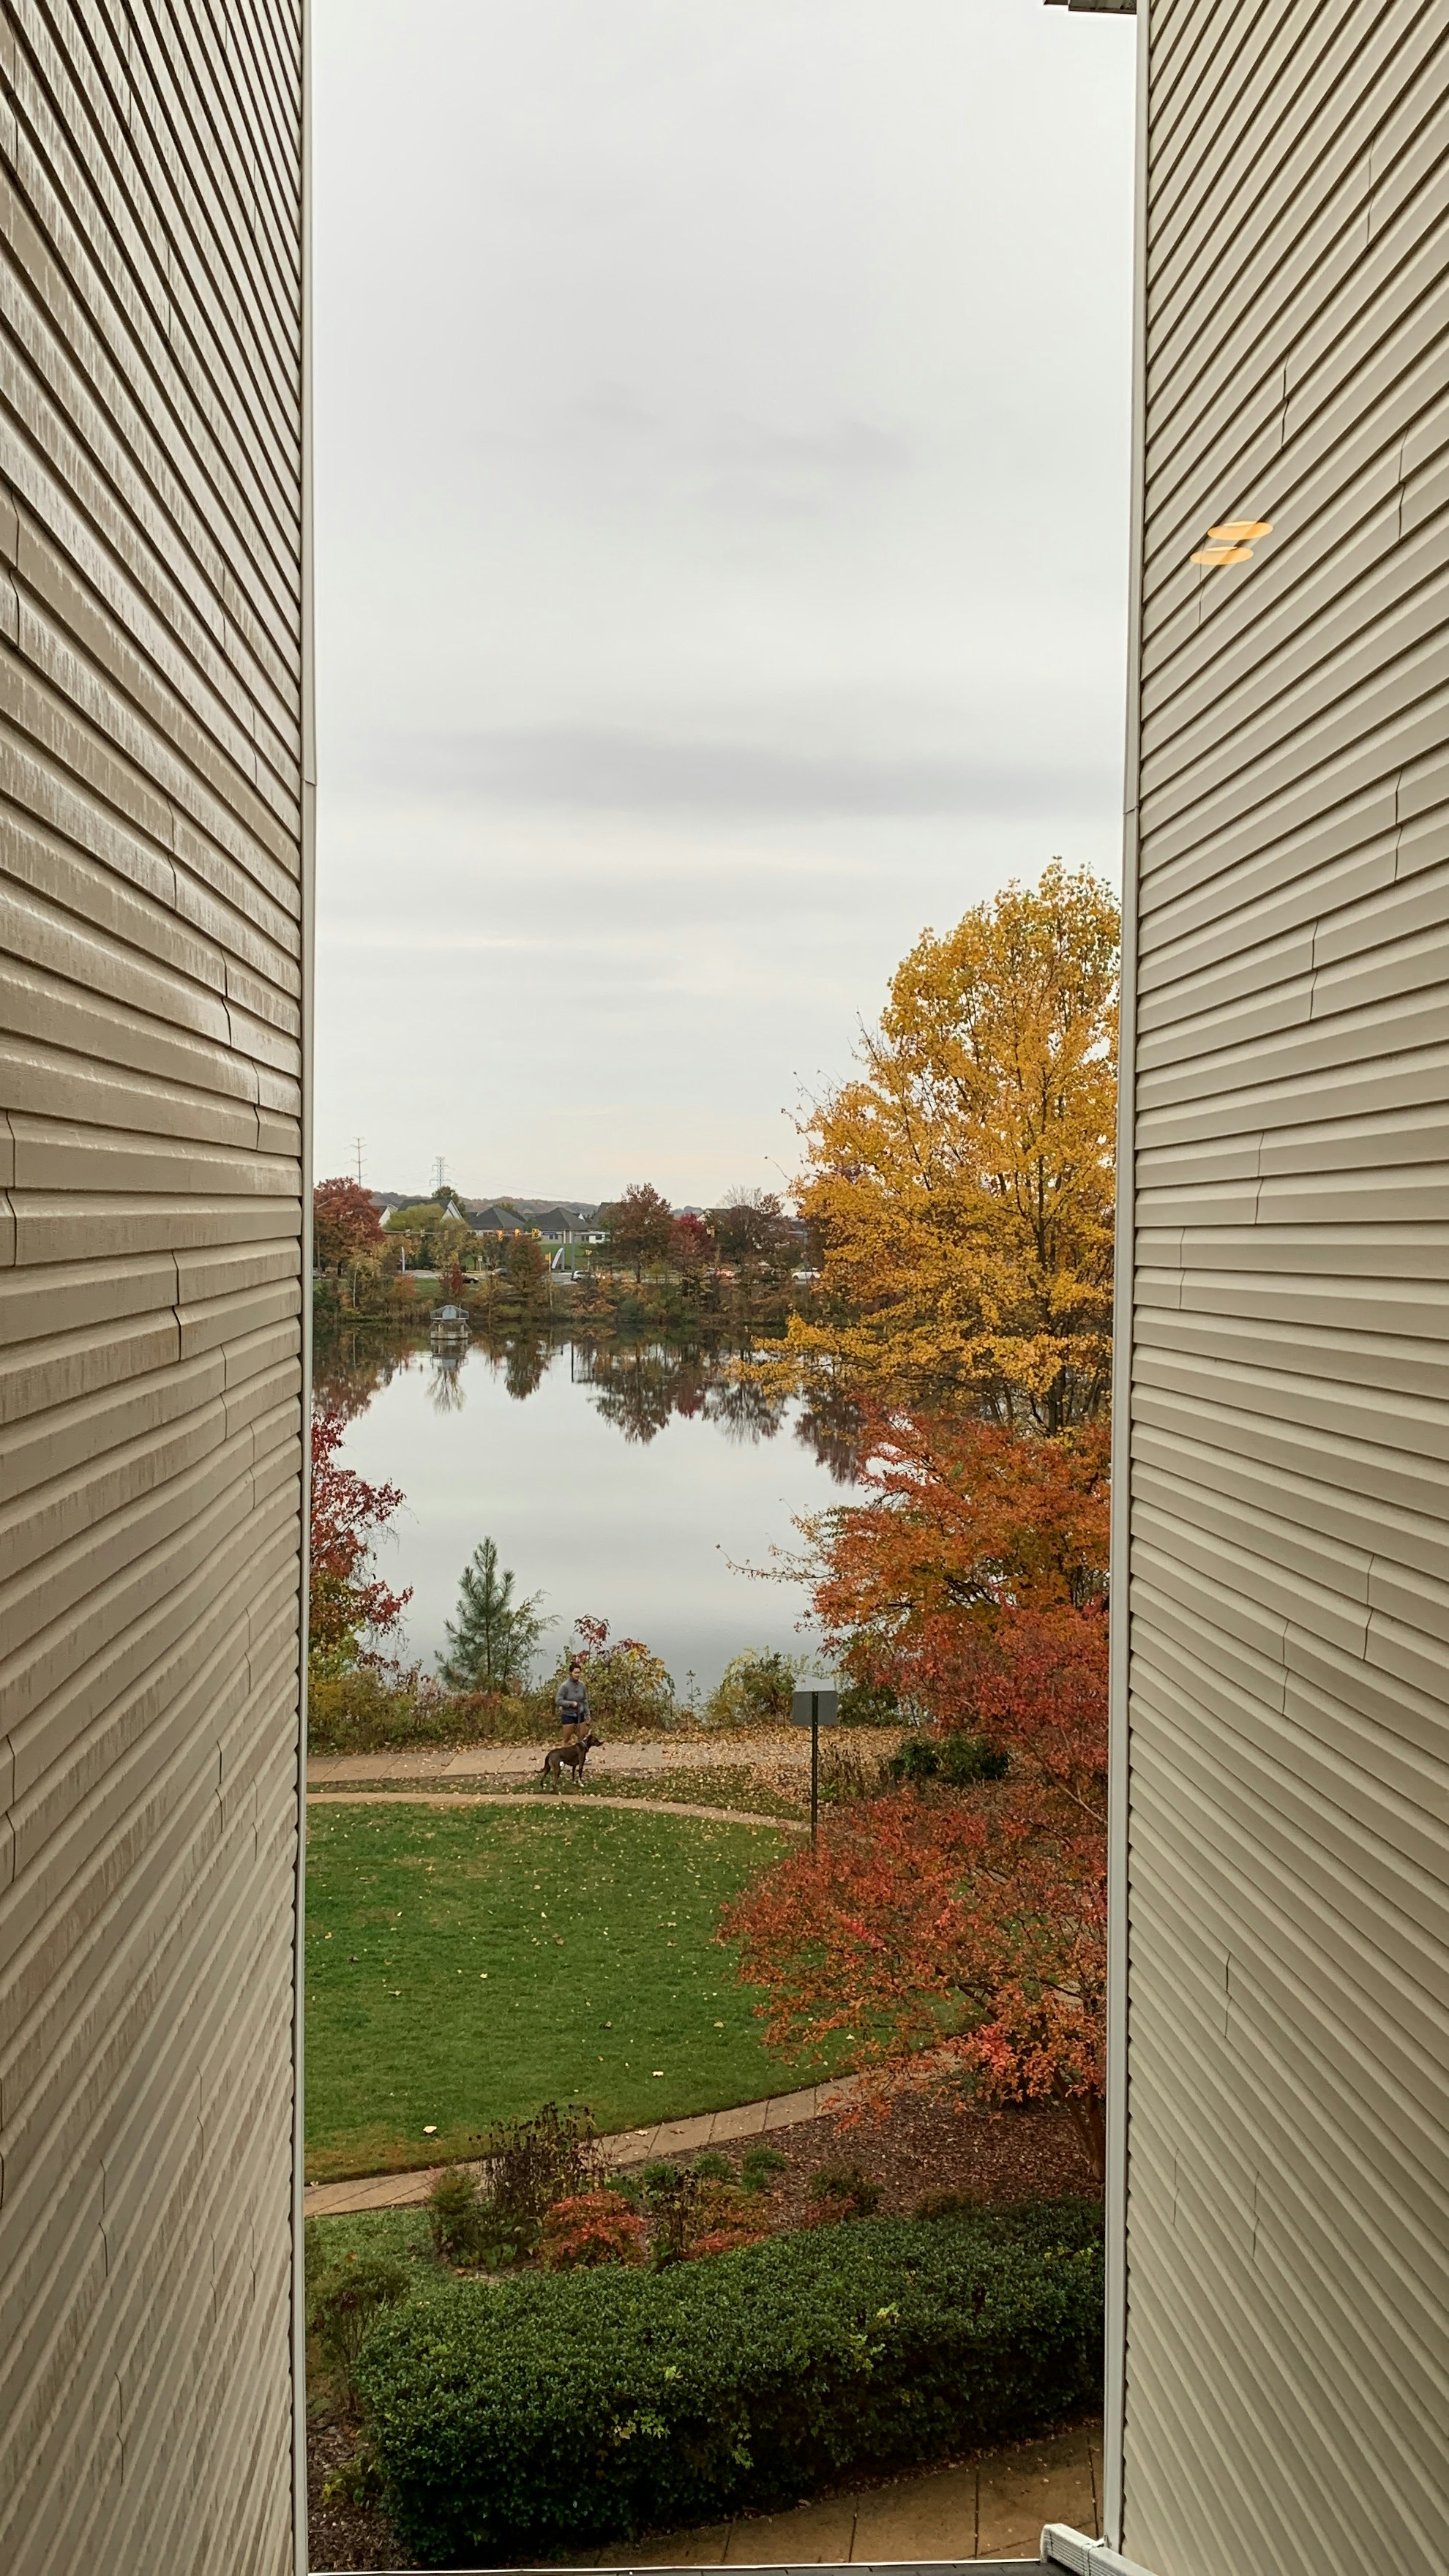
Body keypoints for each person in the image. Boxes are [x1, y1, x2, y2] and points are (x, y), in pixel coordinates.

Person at [555, 1659, 590, 1742]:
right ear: (571, 1673)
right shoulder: (565, 1686)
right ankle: (563, 1755)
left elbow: (585, 1700)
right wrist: (571, 1703)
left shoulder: (582, 1685)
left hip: (580, 1714)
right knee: (567, 1738)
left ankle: (581, 1755)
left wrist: (587, 1714)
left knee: (582, 1737)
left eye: (579, 1673)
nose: (577, 1675)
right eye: (575, 1673)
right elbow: (558, 1701)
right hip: (568, 1714)